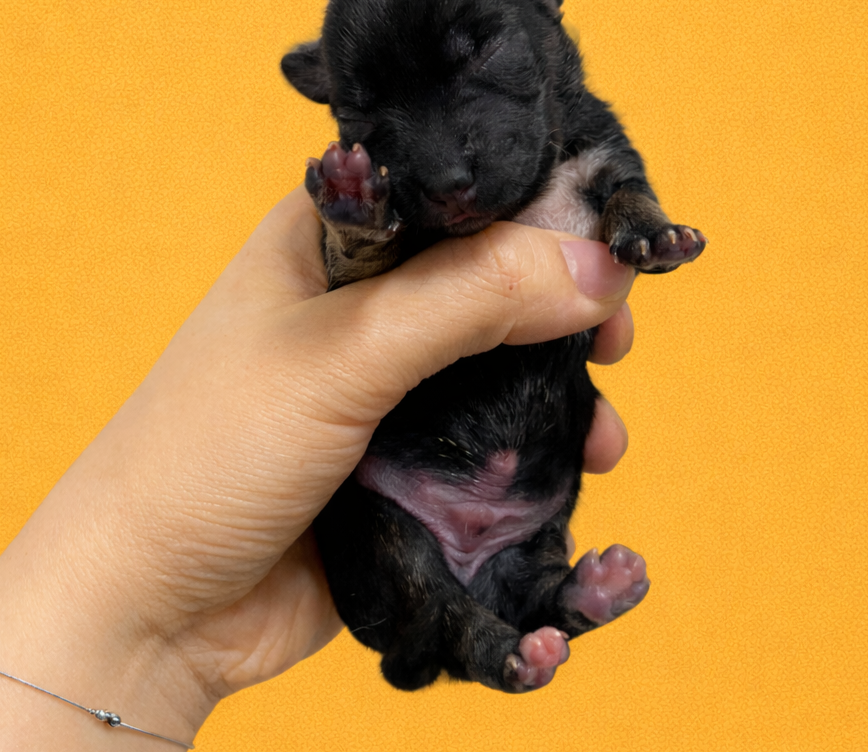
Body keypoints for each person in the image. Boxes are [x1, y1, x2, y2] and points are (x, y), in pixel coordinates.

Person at [0, 184, 636, 749]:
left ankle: (555, 607)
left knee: (527, 566)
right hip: (402, 490)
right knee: (430, 574)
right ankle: (507, 639)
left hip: (520, 489)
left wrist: (168, 651)